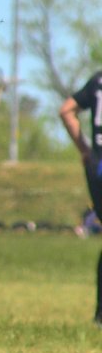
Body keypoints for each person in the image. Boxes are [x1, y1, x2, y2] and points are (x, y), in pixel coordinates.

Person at [58, 76, 102, 324]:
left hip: (98, 165)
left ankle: (101, 313)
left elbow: (66, 111)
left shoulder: (97, 80)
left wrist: (85, 149)